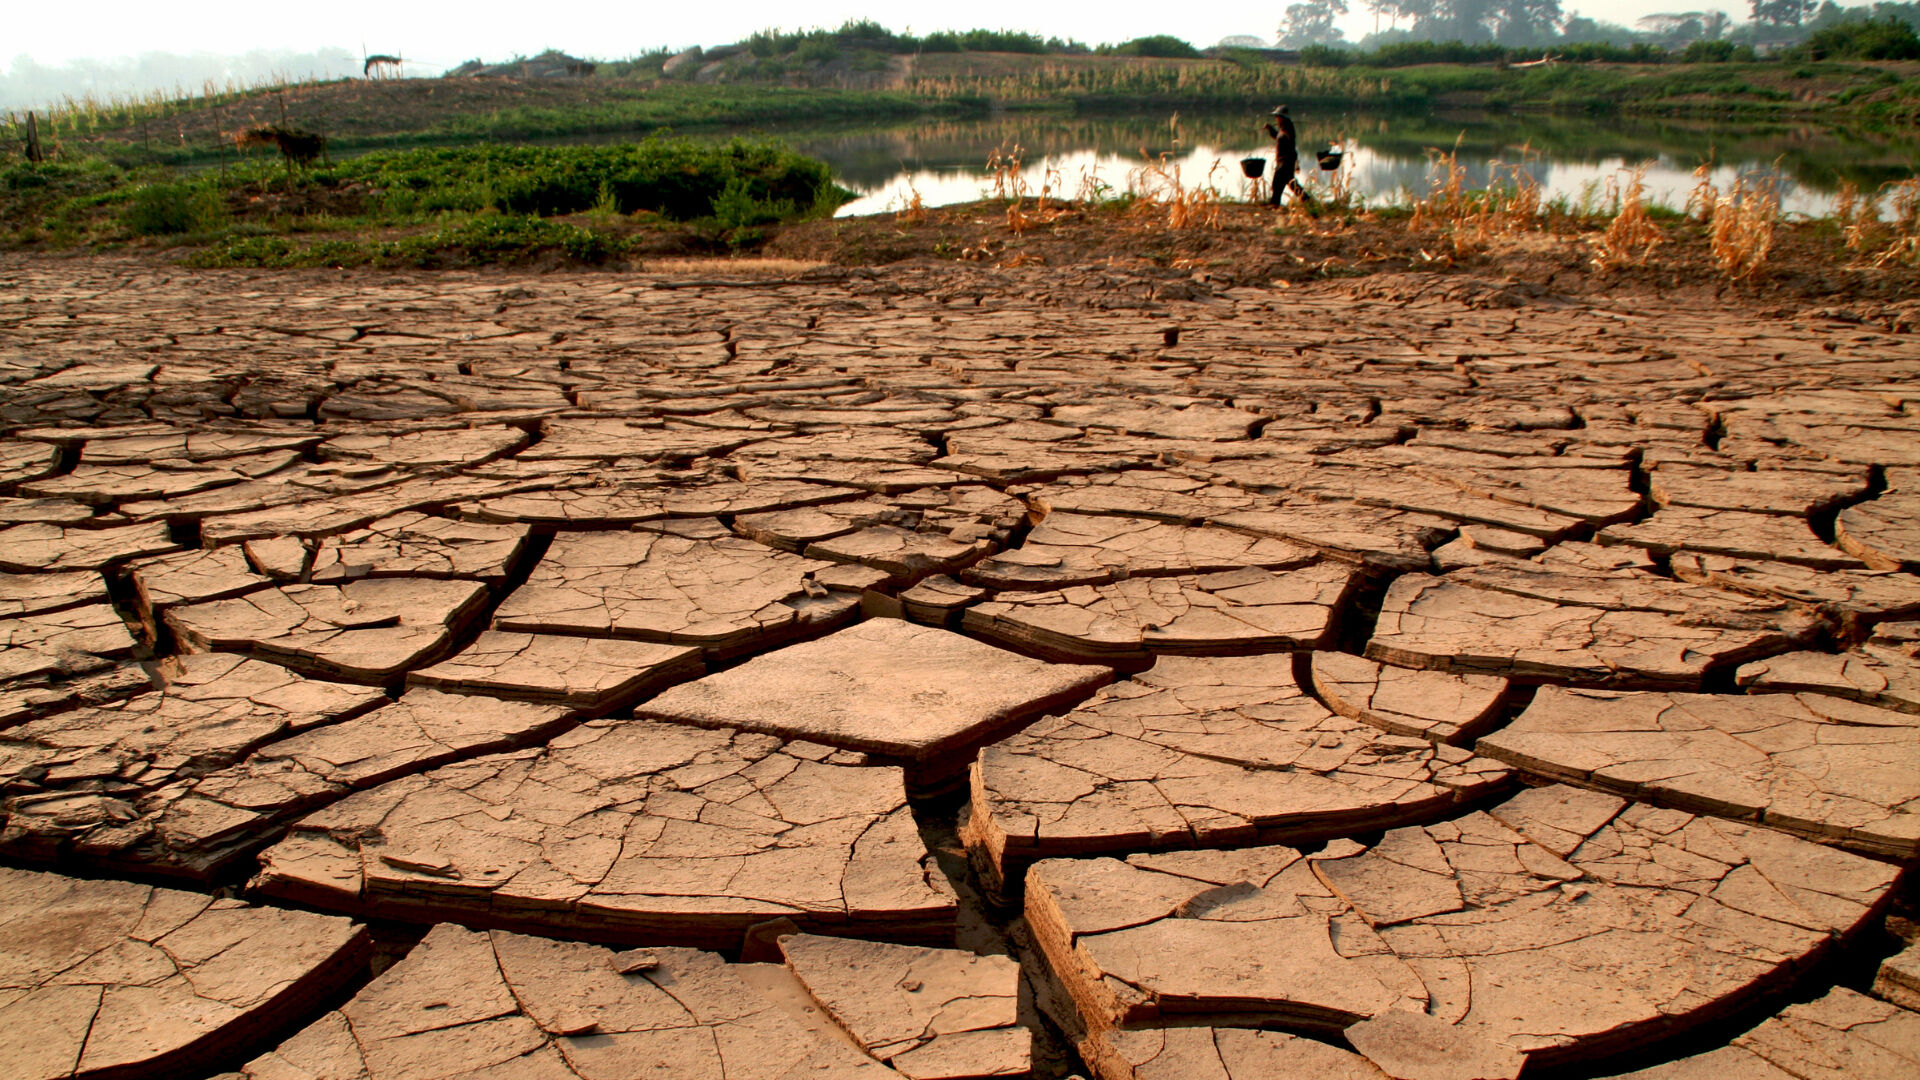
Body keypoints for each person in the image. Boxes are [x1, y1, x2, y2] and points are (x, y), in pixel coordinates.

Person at [1263, 104, 1313, 208]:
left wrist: (1293, 162)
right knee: (1290, 183)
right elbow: (1278, 137)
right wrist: (1270, 129)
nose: (1276, 119)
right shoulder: (1283, 128)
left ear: (1282, 117)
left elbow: (1287, 141)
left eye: (1278, 116)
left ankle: (1274, 203)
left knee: (1277, 182)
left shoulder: (1288, 129)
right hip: (1285, 160)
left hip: (1285, 160)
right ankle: (1307, 200)